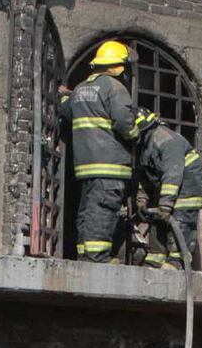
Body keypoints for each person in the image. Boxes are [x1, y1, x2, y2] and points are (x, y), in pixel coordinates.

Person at [58, 40, 141, 263]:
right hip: (110, 165)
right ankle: (97, 257)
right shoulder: (115, 88)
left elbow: (66, 111)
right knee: (103, 210)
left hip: (85, 166)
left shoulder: (83, 88)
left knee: (87, 210)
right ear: (119, 66)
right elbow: (125, 122)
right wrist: (136, 134)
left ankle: (84, 254)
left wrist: (65, 95)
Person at [134, 108, 202, 269]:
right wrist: (142, 198)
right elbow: (146, 174)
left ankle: (177, 260)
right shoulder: (146, 146)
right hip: (170, 188)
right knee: (158, 219)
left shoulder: (166, 140)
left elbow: (173, 173)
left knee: (180, 220)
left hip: (188, 187)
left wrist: (165, 205)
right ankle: (156, 257)